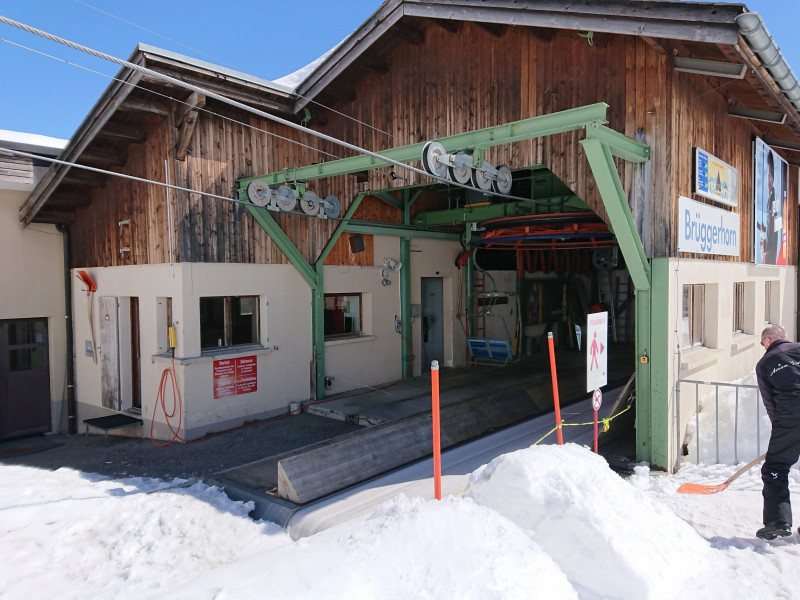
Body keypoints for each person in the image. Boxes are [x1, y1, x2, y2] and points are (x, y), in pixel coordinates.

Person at [754, 324, 800, 539]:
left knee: (776, 468)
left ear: (769, 340)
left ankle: (777, 522)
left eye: (762, 343)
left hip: (790, 415)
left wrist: (782, 431)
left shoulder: (765, 363)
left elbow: (770, 402)